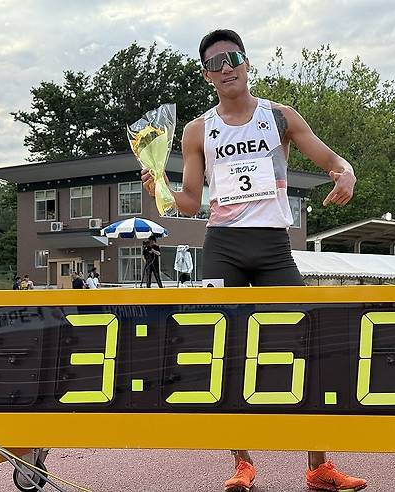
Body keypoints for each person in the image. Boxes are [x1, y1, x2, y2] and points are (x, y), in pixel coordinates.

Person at [142, 29, 365, 492]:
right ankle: (242, 463)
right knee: (222, 353)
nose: (226, 68)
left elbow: (332, 160)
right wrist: (159, 186)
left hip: (272, 247)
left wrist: (346, 174)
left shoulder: (280, 117)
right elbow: (189, 202)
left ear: (246, 63)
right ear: (206, 75)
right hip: (222, 246)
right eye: (216, 63)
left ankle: (318, 466)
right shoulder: (197, 130)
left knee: (306, 345)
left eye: (233, 58)